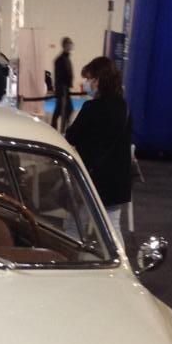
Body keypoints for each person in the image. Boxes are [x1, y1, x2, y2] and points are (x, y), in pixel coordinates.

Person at [66, 55, 132, 243]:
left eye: (89, 79)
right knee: (113, 228)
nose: (86, 83)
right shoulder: (124, 107)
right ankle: (120, 260)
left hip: (91, 178)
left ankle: (70, 258)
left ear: (99, 80)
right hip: (117, 181)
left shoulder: (91, 108)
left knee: (75, 226)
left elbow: (71, 136)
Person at [52, 36, 74, 132]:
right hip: (62, 89)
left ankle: (62, 129)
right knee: (63, 110)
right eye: (69, 44)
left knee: (65, 110)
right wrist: (61, 89)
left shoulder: (66, 58)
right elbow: (60, 76)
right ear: (65, 45)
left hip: (65, 89)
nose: (71, 46)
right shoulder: (60, 59)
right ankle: (61, 129)